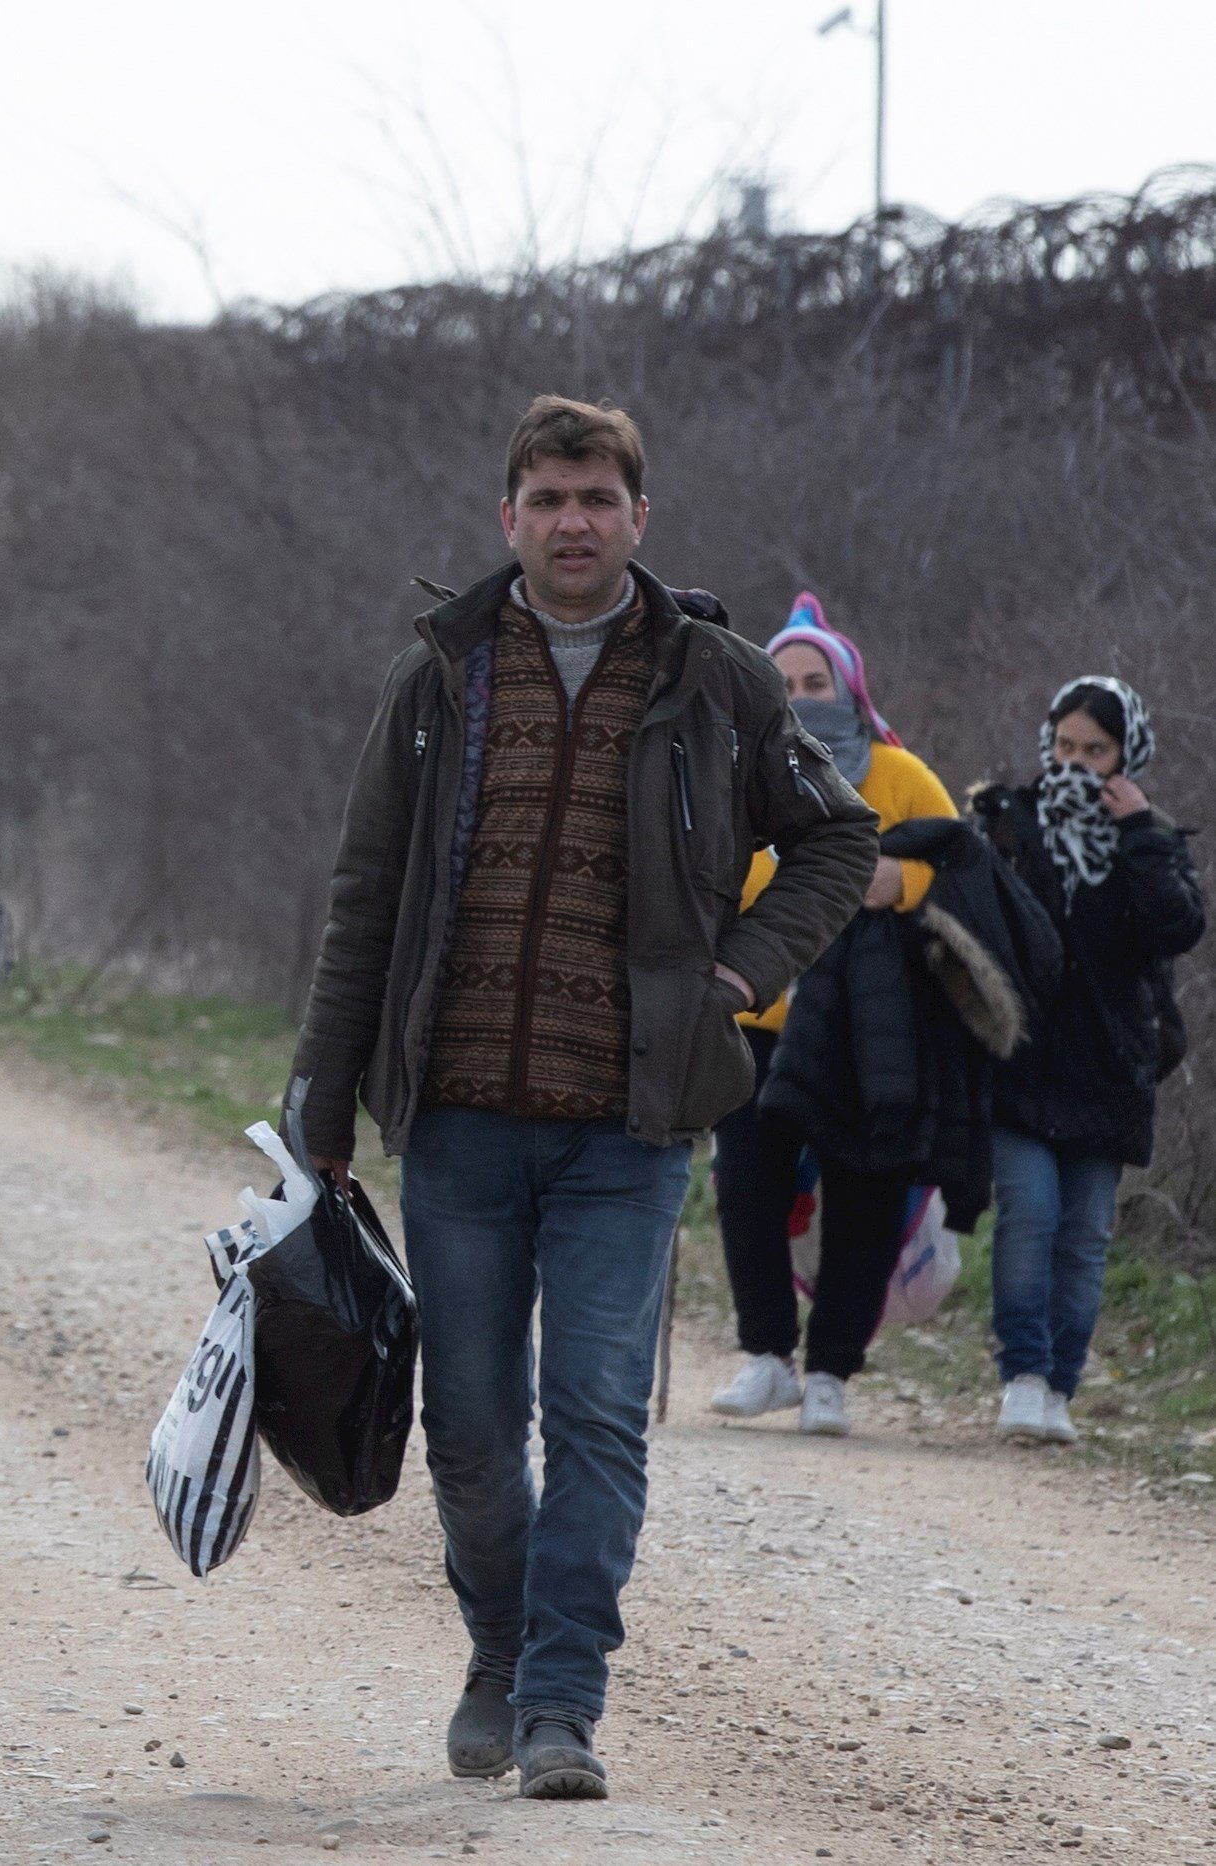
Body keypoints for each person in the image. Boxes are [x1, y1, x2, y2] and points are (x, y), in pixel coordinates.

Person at [290, 397, 875, 1800]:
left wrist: (732, 975)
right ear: (507, 515)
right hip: (459, 1115)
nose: (570, 520)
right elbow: (364, 892)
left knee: (597, 1416)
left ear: (637, 517)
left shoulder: (719, 679)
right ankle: (497, 1646)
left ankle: (561, 1698)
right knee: (475, 1429)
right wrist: (320, 1095)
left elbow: (836, 836)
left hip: (631, 1123)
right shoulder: (435, 676)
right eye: (546, 496)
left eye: (595, 497)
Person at [707, 597, 961, 1437]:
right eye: (784, 683)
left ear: (850, 689)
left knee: (864, 1198)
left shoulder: (900, 776)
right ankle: (768, 1358)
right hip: (756, 1015)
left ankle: (832, 1374)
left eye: (816, 681)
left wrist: (908, 884)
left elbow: (964, 870)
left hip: (867, 1033)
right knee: (747, 1191)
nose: (802, 695)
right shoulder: (731, 769)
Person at [973, 679, 1205, 1445]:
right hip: (1023, 1061)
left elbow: (1177, 928)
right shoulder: (1008, 822)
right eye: (1066, 746)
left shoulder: (1155, 839)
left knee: (1085, 1235)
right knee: (1030, 1213)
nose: (1076, 763)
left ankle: (1061, 1388)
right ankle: (1024, 1378)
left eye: (1095, 751)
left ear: (1125, 757)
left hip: (1111, 1071)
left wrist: (1137, 831)